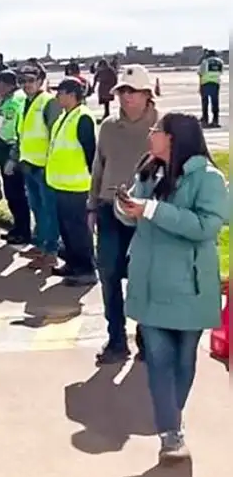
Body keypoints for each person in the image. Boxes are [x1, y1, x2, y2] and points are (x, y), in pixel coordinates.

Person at [115, 112, 227, 463]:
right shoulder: (149, 170)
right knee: (159, 359)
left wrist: (151, 210)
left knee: (184, 360)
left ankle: (172, 414)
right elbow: (134, 210)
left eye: (156, 130)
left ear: (174, 138)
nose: (151, 135)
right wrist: (126, 208)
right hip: (150, 281)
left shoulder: (208, 178)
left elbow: (206, 227)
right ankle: (170, 431)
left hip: (189, 286)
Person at [88, 65, 158, 365]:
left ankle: (147, 339)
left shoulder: (162, 126)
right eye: (121, 92)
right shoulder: (108, 126)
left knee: (144, 277)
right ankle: (116, 339)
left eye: (131, 92)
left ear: (146, 95)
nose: (125, 97)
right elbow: (98, 167)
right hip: (109, 207)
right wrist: (92, 205)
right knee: (109, 274)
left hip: (147, 212)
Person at [45, 78, 98, 285]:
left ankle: (86, 269)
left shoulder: (82, 117)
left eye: (61, 92)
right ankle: (72, 263)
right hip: (61, 184)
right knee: (66, 229)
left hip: (77, 186)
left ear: (71, 94)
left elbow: (90, 152)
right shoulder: (65, 117)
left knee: (78, 230)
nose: (57, 96)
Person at [16, 66, 63, 271]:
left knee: (49, 211)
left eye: (30, 80)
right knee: (38, 209)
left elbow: (56, 135)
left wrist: (51, 164)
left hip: (44, 167)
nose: (26, 84)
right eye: (23, 80)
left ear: (41, 80)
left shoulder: (48, 102)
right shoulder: (26, 102)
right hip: (30, 164)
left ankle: (51, 252)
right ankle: (41, 245)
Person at [0, 71, 31, 244]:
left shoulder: (13, 101)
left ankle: (23, 231)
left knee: (16, 194)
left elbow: (9, 129)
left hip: (11, 148)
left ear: (7, 84)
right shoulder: (7, 99)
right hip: (5, 148)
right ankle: (18, 228)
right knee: (13, 193)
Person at [197, 49, 224, 128]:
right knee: (215, 103)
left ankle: (205, 120)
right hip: (215, 84)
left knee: (205, 103)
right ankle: (215, 121)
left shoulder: (205, 61)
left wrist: (200, 85)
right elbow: (221, 72)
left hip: (205, 84)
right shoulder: (220, 62)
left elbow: (200, 73)